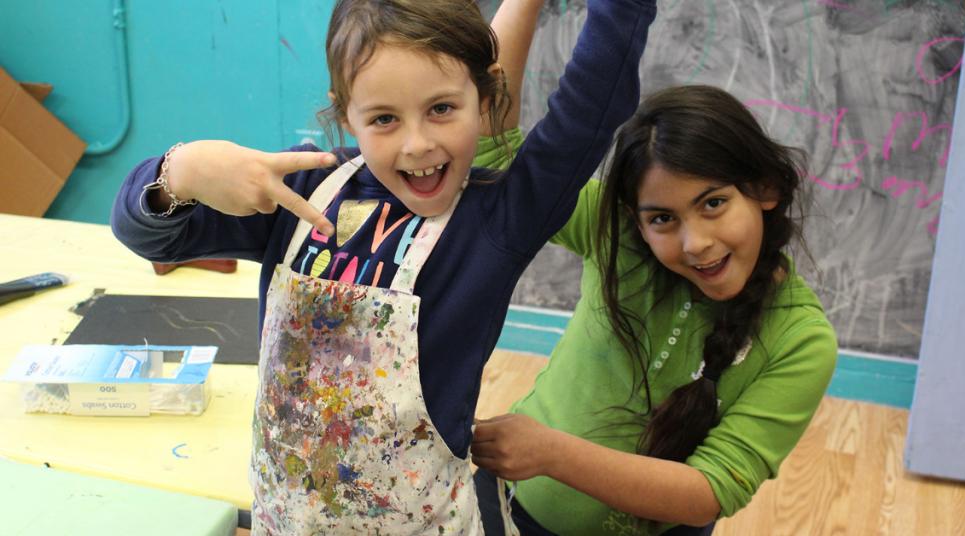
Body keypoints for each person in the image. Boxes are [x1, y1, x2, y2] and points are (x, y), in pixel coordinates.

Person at [110, 0, 656, 533]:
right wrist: (178, 171)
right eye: (384, 118)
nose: (417, 144)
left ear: (485, 97)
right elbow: (149, 238)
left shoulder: (496, 221)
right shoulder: (301, 191)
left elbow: (592, 105)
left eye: (441, 108)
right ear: (345, 110)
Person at [470, 68, 838, 536]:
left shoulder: (802, 341)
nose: (696, 243)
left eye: (713, 204)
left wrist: (551, 453)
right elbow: (496, 154)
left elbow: (709, 491)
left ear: (765, 188)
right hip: (504, 509)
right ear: (634, 221)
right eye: (663, 218)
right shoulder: (617, 237)